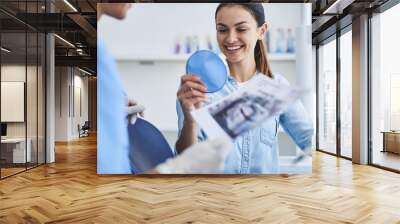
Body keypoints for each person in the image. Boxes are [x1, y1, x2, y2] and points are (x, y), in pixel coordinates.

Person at [176, 3, 314, 174]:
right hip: (214, 197)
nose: (230, 38)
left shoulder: (277, 87)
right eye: (222, 30)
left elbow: (311, 141)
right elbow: (187, 162)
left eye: (241, 29)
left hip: (263, 197)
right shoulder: (198, 89)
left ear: (261, 31)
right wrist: (191, 121)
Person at [97, 3, 233, 174]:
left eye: (241, 29)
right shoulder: (100, 55)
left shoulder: (100, 50)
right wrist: (175, 169)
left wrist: (115, 104)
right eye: (222, 30)